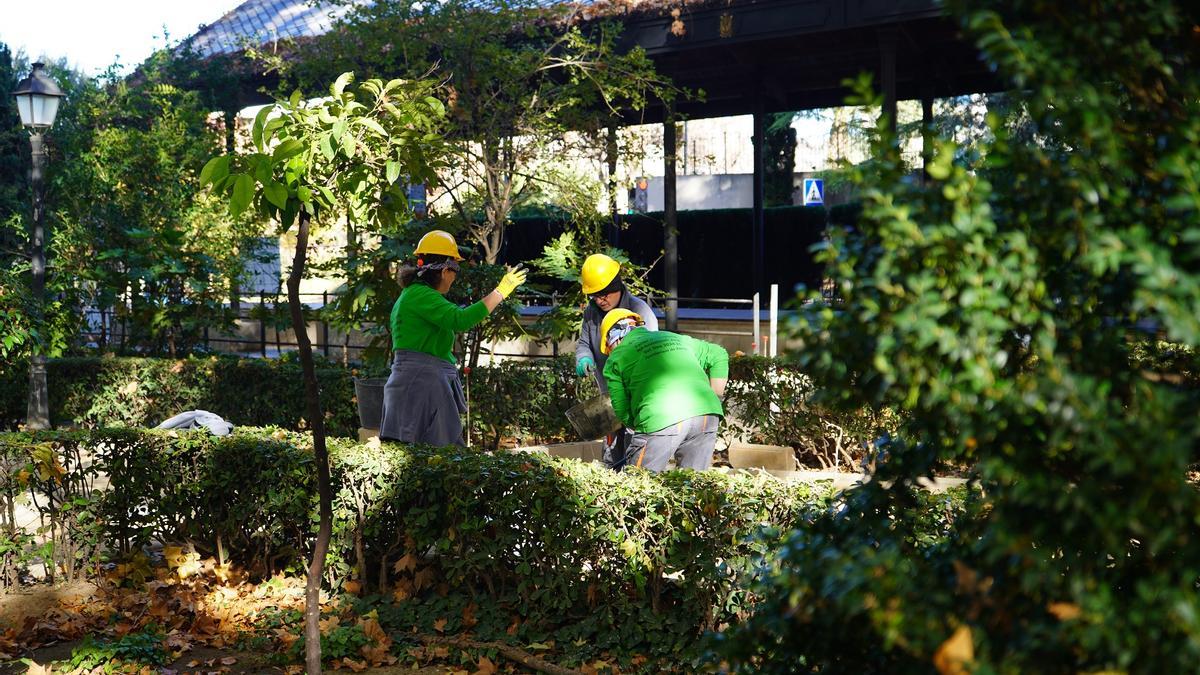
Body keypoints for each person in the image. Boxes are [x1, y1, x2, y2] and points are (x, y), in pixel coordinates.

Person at [379, 230, 526, 445]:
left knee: (419, 453)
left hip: (415, 381)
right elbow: (461, 319)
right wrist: (501, 292)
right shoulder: (421, 295)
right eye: (455, 271)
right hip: (423, 382)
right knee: (442, 453)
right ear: (445, 270)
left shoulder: (411, 294)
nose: (454, 278)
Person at [600, 308, 729, 472]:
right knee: (693, 486)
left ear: (613, 341)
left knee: (639, 486)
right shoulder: (672, 337)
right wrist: (715, 398)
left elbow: (622, 410)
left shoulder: (616, 357)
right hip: (706, 416)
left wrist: (642, 429)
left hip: (659, 415)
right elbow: (719, 354)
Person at [574, 253, 658, 468]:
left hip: (635, 399)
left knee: (635, 455)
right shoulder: (591, 313)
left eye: (603, 295)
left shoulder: (640, 312)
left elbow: (651, 357)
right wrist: (584, 358)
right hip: (609, 398)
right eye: (594, 296)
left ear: (616, 286)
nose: (599, 300)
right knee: (611, 457)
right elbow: (584, 342)